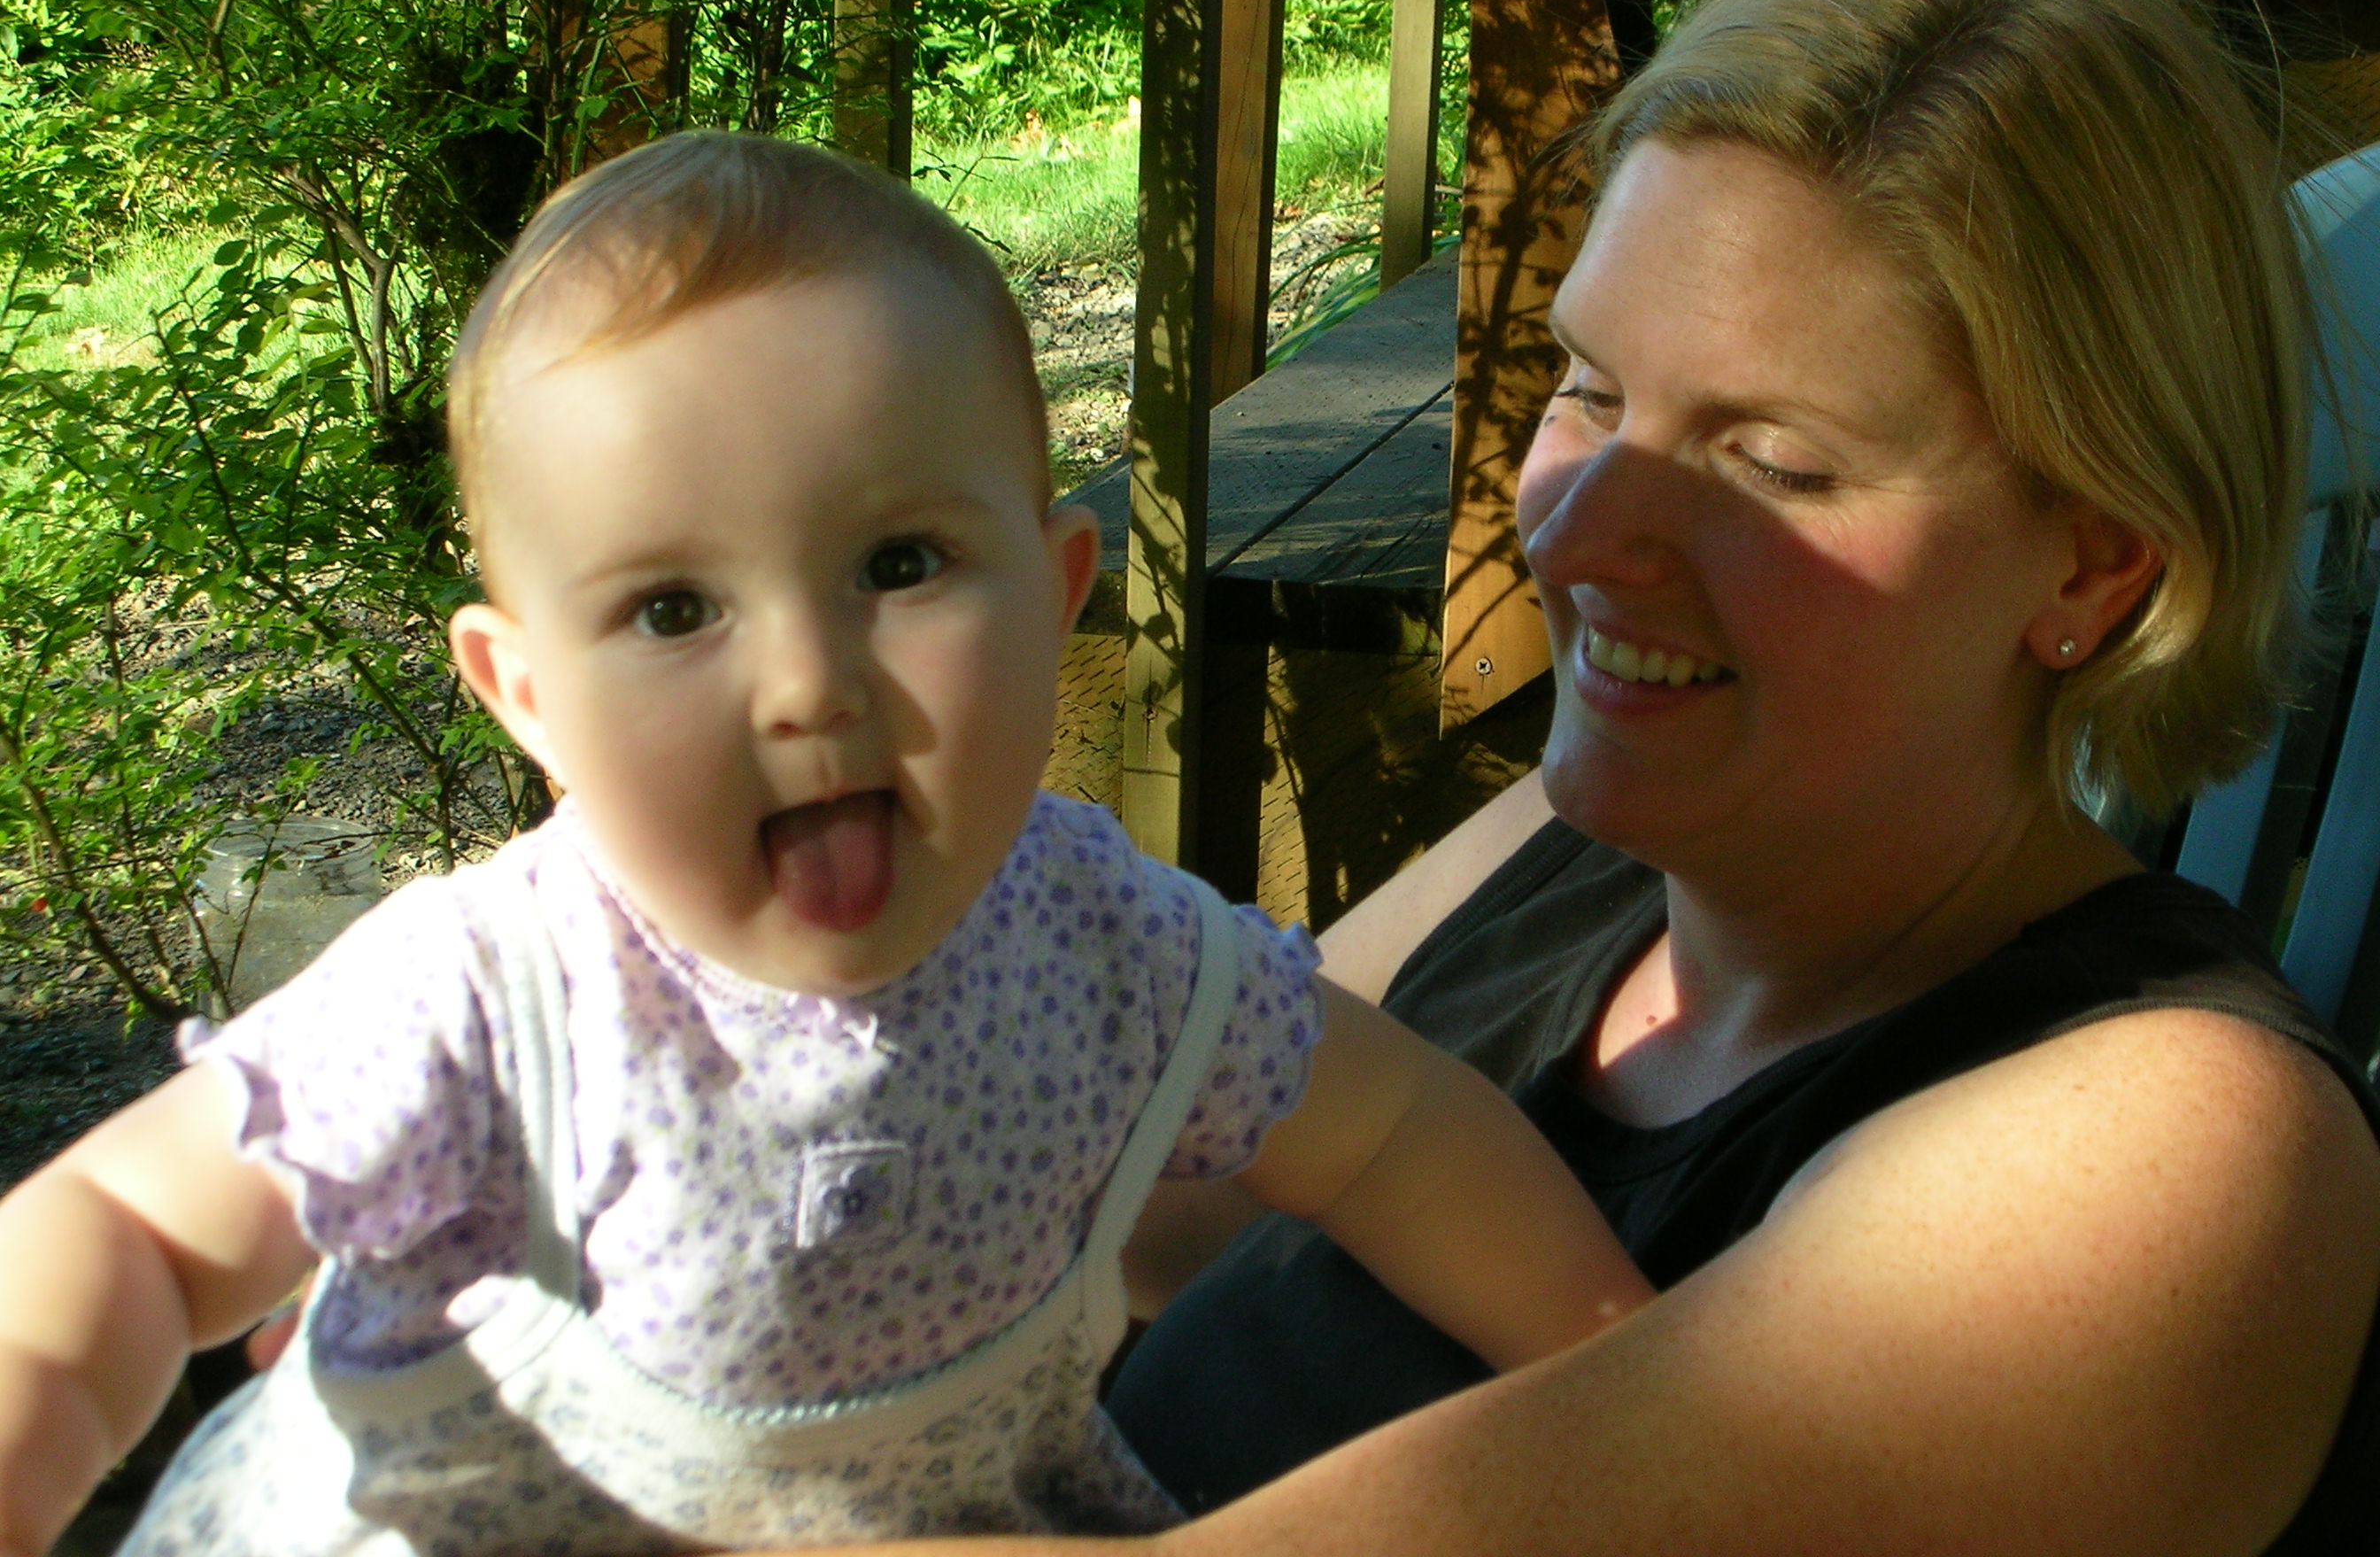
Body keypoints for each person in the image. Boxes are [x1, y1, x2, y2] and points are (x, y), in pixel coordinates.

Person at [831, 0, 2380, 1557]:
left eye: (1771, 462)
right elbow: (1105, 1207)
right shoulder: (1589, 852)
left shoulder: (2161, 1158)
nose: (1577, 536)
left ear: (2095, 561)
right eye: (1589, 389)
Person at [0, 134, 1655, 1557]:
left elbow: (1394, 1137)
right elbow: (134, 1230)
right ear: (529, 698)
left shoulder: (1111, 949)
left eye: (900, 565)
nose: (809, 683)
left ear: (1057, 596)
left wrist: (1632, 1378)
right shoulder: (497, 999)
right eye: (672, 609)